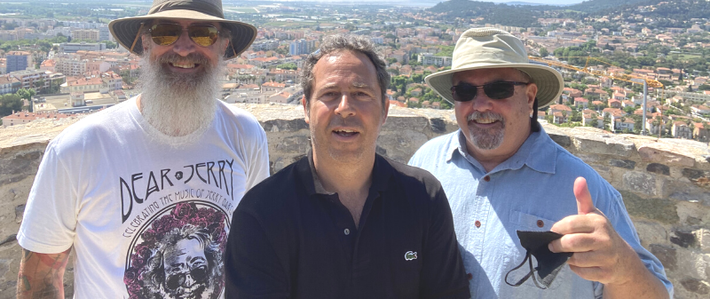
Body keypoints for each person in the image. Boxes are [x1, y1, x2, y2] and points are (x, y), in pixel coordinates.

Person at [17, 0, 270, 298]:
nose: (183, 47)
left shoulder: (245, 133)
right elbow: (40, 272)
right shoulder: (79, 147)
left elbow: (254, 242)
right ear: (145, 42)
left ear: (223, 45)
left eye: (203, 34)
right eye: (165, 31)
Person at [409, 27, 673, 299]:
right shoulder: (426, 164)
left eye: (498, 89)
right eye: (464, 91)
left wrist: (623, 269)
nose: (481, 104)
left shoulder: (586, 189)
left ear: (530, 96)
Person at [224, 35, 470, 299]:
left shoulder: (423, 195)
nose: (345, 108)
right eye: (330, 94)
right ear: (306, 109)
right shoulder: (261, 213)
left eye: (360, 94)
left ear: (385, 110)